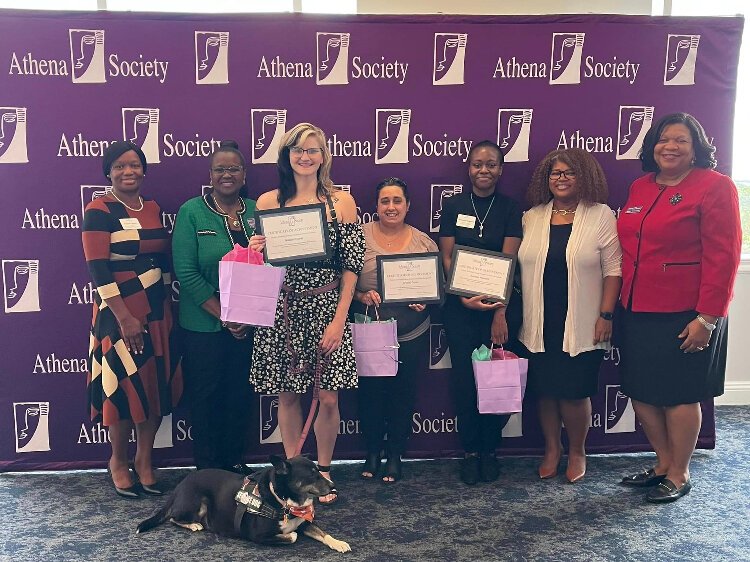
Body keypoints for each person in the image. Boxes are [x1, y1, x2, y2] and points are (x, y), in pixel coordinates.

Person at [617, 112, 741, 503]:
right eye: (663, 139)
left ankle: (680, 472)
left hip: (688, 312)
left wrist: (708, 318)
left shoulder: (715, 187)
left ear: (696, 149)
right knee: (641, 390)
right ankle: (664, 463)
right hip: (636, 307)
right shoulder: (639, 186)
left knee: (680, 394)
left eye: (681, 140)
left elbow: (725, 257)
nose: (670, 146)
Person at [249, 123, 364, 504]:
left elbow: (352, 266)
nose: (305, 156)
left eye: (312, 150)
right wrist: (255, 249)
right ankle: (293, 471)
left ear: (323, 156)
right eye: (297, 149)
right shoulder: (267, 203)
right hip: (284, 310)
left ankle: (325, 470)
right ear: (286, 156)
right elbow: (263, 267)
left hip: (327, 306)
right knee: (287, 396)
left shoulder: (341, 202)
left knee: (328, 397)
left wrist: (339, 320)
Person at [82, 140, 182, 498]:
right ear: (108, 172)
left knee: (152, 388)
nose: (129, 171)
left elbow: (164, 263)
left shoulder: (153, 208)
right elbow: (98, 268)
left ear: (144, 170)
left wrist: (168, 311)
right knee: (123, 390)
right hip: (119, 313)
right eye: (120, 166)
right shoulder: (99, 209)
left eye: (135, 165)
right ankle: (118, 462)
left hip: (156, 312)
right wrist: (124, 316)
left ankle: (144, 461)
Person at [518, 148, 622, 483]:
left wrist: (606, 314)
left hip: (582, 322)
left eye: (569, 173)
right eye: (555, 173)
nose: (560, 179)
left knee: (575, 393)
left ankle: (577, 450)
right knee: (546, 391)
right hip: (538, 322)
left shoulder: (600, 215)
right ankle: (552, 449)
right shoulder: (532, 216)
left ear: (584, 176)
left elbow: (614, 270)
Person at [438, 140, 523, 485]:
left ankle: (491, 450)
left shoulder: (510, 208)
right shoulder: (453, 205)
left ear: (501, 169)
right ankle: (470, 451)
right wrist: (461, 299)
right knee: (464, 382)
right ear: (468, 168)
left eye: (491, 164)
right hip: (461, 309)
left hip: (498, 309)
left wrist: (498, 313)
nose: (483, 170)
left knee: (495, 380)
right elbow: (447, 258)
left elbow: (510, 260)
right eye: (477, 164)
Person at [172, 140, 256, 474]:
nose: (227, 174)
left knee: (239, 395)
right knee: (206, 398)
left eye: (233, 168)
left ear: (244, 173)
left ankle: (234, 462)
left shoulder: (256, 211)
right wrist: (224, 313)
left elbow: (269, 266)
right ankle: (207, 470)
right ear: (210, 175)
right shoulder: (191, 211)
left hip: (248, 326)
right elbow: (186, 271)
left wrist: (245, 316)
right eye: (220, 169)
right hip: (203, 326)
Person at [352, 178, 438, 483]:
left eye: (397, 201)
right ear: (375, 206)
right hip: (371, 333)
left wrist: (425, 301)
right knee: (370, 396)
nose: (391, 207)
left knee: (403, 395)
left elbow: (436, 290)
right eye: (385, 201)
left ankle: (395, 454)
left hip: (411, 335)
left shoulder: (424, 242)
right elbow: (342, 284)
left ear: (408, 205)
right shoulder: (359, 238)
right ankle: (372, 452)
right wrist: (360, 296)